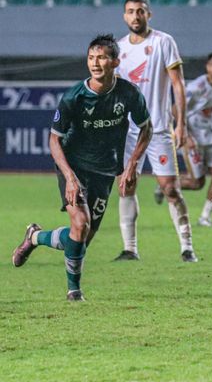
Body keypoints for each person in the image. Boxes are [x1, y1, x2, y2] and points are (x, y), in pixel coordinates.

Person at [12, 34, 152, 300]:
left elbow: (147, 128)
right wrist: (70, 177)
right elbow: (54, 139)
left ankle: (35, 237)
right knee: (80, 223)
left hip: (105, 170)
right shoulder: (74, 97)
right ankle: (73, 291)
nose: (95, 63)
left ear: (115, 62)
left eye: (101, 57)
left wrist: (132, 164)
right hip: (74, 166)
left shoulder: (129, 93)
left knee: (81, 239)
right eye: (91, 58)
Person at [115, 0, 199, 262]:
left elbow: (178, 85)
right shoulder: (118, 48)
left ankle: (187, 247)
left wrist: (181, 124)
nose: (135, 16)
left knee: (170, 188)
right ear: (124, 17)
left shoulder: (163, 42)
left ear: (148, 14)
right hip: (127, 132)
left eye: (140, 11)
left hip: (159, 129)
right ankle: (130, 248)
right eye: (130, 12)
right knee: (125, 185)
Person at [154, 51, 212, 227]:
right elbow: (175, 109)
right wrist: (184, 134)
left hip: (209, 135)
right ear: (208, 67)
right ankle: (163, 185)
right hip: (192, 136)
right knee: (197, 183)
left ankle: (205, 218)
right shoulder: (196, 87)